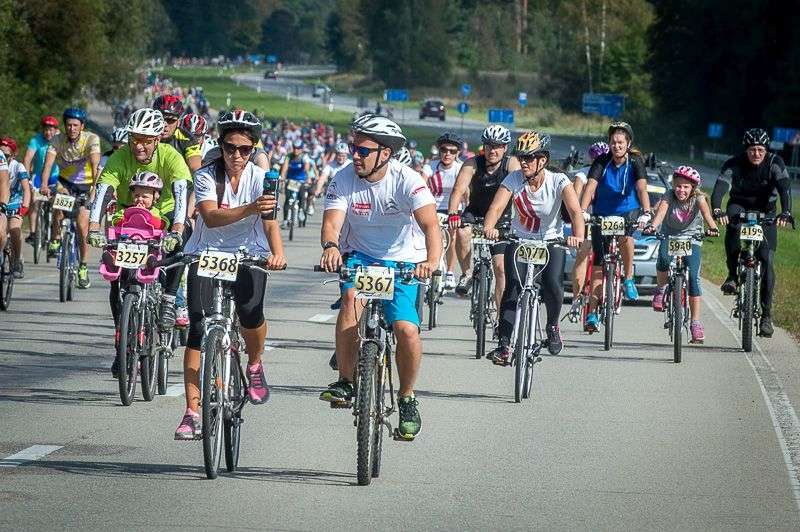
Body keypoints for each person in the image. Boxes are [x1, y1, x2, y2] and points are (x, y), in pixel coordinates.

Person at [319, 113, 441, 440]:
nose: (355, 155)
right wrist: (331, 247)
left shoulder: (408, 179)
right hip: (360, 256)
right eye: (353, 148)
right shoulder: (343, 178)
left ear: (385, 153)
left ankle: (407, 397)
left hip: (403, 261)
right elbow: (331, 223)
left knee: (405, 330)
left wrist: (431, 261)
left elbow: (431, 226)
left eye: (363, 151)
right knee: (350, 299)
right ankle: (346, 381)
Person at [174, 111, 286, 439]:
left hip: (249, 253)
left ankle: (254, 364)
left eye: (244, 149)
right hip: (207, 253)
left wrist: (277, 253)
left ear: (254, 149)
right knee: (197, 328)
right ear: (220, 146)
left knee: (251, 313)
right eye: (229, 147)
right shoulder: (207, 174)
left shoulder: (261, 177)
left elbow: (269, 221)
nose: (236, 155)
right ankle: (192, 412)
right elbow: (209, 217)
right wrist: (251, 207)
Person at [88, 108, 190, 376]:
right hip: (128, 214)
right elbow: (103, 190)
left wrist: (177, 229)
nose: (139, 146)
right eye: (135, 139)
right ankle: (122, 343)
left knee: (184, 235)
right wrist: (94, 226)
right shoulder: (121, 157)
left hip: (164, 214)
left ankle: (169, 298)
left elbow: (181, 193)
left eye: (146, 140)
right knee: (117, 284)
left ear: (157, 140)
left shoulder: (171, 157)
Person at [482, 131, 584, 361]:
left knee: (553, 286)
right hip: (520, 240)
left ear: (543, 160)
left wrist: (577, 236)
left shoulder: (559, 181)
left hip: (551, 241)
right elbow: (496, 208)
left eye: (530, 157)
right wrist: (489, 227)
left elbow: (576, 211)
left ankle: (552, 327)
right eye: (521, 157)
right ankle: (505, 344)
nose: (524, 162)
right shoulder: (514, 179)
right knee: (513, 288)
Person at [711, 128, 793, 338]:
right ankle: (731, 276)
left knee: (766, 260)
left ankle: (766, 316)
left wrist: (786, 212)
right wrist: (718, 210)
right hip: (739, 206)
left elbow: (784, 187)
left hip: (766, 211)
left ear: (766, 150)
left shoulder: (775, 163)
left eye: (760, 150)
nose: (756, 154)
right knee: (733, 228)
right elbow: (721, 186)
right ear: (745, 151)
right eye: (752, 150)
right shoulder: (733, 163)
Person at [579, 121, 652, 332]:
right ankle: (592, 313)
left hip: (628, 210)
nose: (616, 146)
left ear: (628, 143)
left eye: (620, 142)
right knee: (599, 267)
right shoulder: (602, 160)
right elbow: (590, 187)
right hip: (603, 211)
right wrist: (584, 211)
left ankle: (628, 278)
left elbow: (641, 190)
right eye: (613, 142)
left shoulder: (636, 161)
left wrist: (646, 212)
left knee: (626, 238)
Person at [448, 125, 521, 312]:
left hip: (501, 219)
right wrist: (453, 213)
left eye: (497, 146)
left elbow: (521, 191)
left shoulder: (511, 164)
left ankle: (499, 319)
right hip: (475, 212)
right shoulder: (472, 163)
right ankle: (467, 273)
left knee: (500, 269)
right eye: (488, 146)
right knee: (462, 231)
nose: (492, 150)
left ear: (505, 148)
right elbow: (458, 189)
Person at [645, 166, 719, 343]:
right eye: (678, 186)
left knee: (693, 277)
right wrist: (653, 226)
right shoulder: (668, 196)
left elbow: (706, 213)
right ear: (673, 186)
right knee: (662, 259)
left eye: (686, 186)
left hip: (692, 239)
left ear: (693, 187)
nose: (681, 190)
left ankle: (695, 322)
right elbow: (661, 212)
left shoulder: (699, 198)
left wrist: (712, 227)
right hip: (670, 236)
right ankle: (662, 289)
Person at [40, 107, 101, 288]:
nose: (72, 128)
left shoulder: (91, 139)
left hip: (87, 184)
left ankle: (83, 266)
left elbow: (96, 164)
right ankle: (57, 238)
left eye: (75, 125)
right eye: (68, 125)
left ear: (82, 126)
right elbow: (48, 164)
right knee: (59, 205)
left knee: (83, 225)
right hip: (65, 182)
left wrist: (94, 191)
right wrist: (44, 185)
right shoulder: (57, 140)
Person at [422, 132, 466, 290]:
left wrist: (467, 211)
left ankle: (449, 272)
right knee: (429, 234)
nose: (448, 154)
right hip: (433, 207)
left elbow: (466, 192)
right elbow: (421, 183)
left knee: (452, 234)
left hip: (454, 209)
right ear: (439, 150)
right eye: (444, 150)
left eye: (452, 151)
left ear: (458, 153)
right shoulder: (430, 166)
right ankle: (430, 268)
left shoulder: (460, 168)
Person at [569, 141, 609, 313]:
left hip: (605, 219)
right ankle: (576, 299)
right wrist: (581, 214)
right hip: (586, 218)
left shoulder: (610, 174)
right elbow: (576, 199)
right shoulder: (582, 175)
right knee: (583, 254)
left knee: (608, 255)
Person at [23, 116, 60, 245]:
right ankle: (33, 233)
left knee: (58, 203)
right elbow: (27, 159)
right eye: (46, 129)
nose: (48, 133)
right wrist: (26, 177)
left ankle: (56, 233)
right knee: (34, 198)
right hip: (39, 175)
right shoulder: (36, 140)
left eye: (51, 130)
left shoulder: (61, 140)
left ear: (56, 130)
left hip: (56, 176)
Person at [0, 138, 31, 278]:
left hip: (15, 202)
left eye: (6, 155)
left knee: (14, 229)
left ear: (13, 155)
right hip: (1, 200)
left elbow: (26, 189)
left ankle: (16, 261)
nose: (3, 158)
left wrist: (24, 207)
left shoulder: (18, 167)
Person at [153, 95, 203, 173]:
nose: (164, 124)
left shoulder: (187, 139)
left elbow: (196, 168)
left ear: (178, 122)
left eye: (170, 120)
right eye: (160, 119)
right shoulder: (145, 134)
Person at [279, 139, 312, 229]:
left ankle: (301, 209)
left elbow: (306, 168)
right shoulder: (289, 156)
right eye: (294, 148)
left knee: (301, 196)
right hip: (290, 180)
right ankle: (285, 220)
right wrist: (282, 178)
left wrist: (308, 178)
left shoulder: (304, 157)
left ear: (301, 149)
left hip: (301, 180)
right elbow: (284, 168)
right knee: (288, 199)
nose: (295, 150)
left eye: (298, 148)